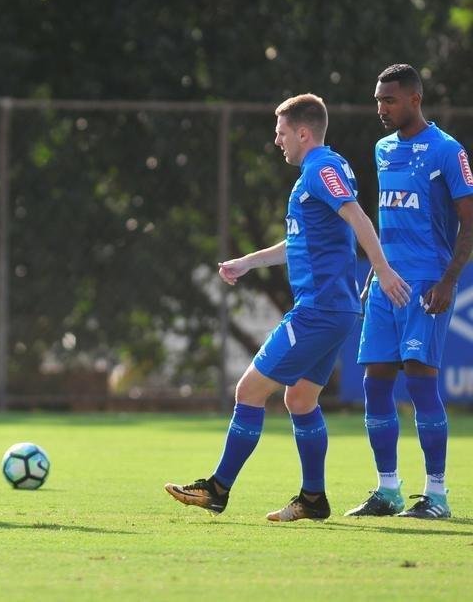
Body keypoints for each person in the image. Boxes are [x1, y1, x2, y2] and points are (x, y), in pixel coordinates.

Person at [165, 94, 409, 521]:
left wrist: (383, 270)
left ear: (303, 132)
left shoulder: (321, 168)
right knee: (299, 399)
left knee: (248, 392)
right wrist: (247, 262)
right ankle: (313, 499)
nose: (277, 141)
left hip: (319, 310)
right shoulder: (316, 172)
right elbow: (299, 242)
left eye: (281, 133)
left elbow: (358, 217)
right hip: (334, 311)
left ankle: (217, 489)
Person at [345, 64, 473, 519]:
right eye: (378, 100)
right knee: (375, 383)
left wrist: (449, 280)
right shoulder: (382, 149)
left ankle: (436, 495)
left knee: (420, 382)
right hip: (387, 284)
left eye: (390, 100)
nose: (381, 108)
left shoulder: (447, 150)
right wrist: (377, 270)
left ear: (415, 99)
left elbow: (469, 222)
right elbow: (386, 218)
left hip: (426, 284)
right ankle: (388, 490)